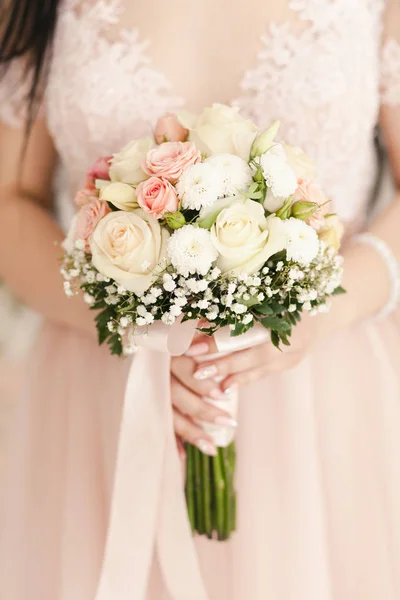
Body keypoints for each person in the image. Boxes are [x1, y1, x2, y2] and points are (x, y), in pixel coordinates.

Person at [1, 1, 400, 598]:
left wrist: (318, 312)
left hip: (324, 393)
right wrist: (134, 326)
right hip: (104, 391)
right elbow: (10, 201)